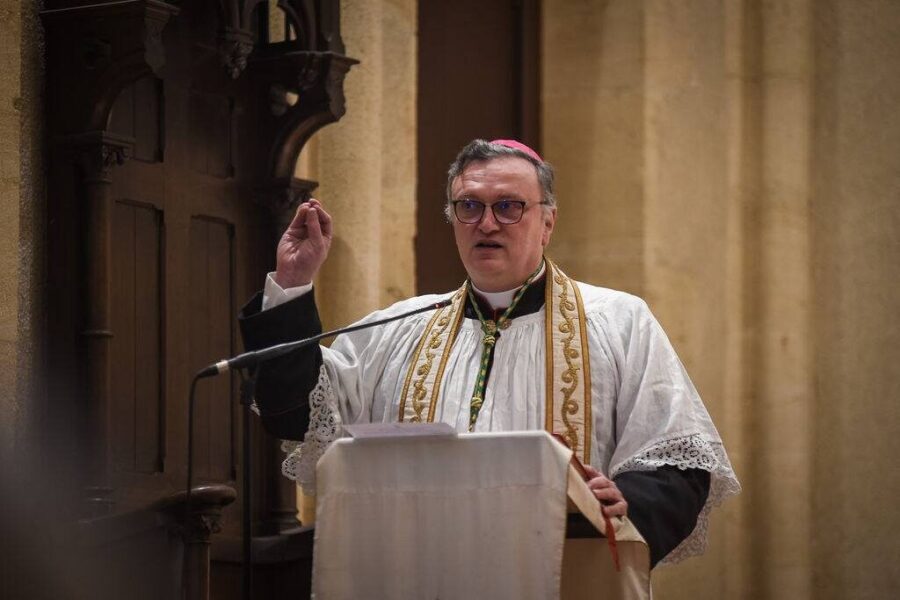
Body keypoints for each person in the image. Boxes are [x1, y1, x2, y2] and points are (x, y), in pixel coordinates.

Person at [239, 139, 740, 567]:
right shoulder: (397, 329)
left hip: (562, 574)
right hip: (426, 573)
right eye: (470, 206)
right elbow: (298, 415)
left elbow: (680, 463)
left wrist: (629, 500)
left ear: (547, 223)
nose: (487, 223)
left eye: (509, 206)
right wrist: (292, 284)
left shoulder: (618, 321)